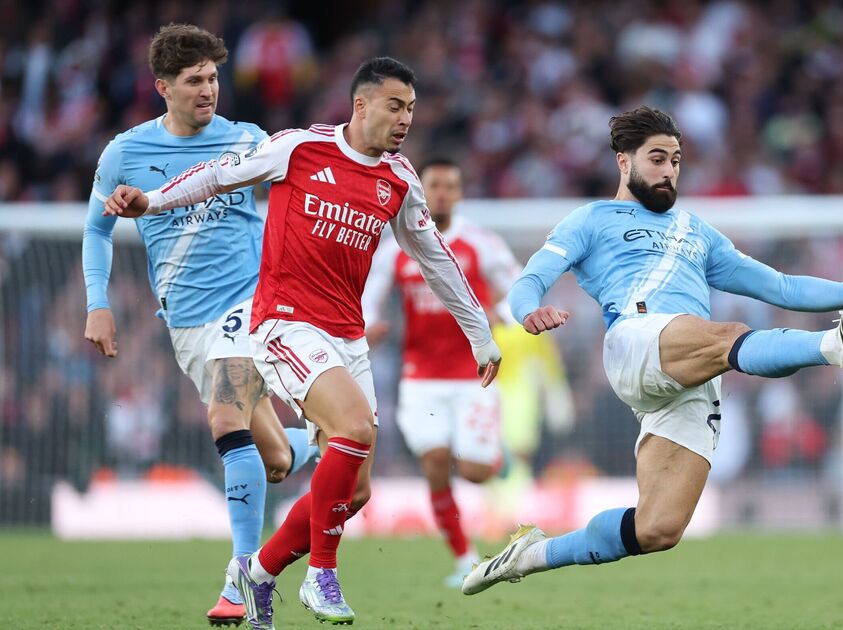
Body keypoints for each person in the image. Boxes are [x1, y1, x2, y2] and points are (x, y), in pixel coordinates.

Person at [461, 107, 843, 595]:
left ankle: (532, 554)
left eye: (676, 160)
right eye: (657, 159)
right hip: (636, 341)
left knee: (657, 528)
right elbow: (528, 281)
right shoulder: (591, 219)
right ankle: (833, 345)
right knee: (728, 334)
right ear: (624, 161)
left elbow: (783, 287)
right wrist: (529, 311)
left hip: (689, 374)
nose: (669, 170)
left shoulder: (697, 232)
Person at [103, 57, 501, 629]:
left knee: (355, 491)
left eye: (411, 109)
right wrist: (151, 201)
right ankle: (322, 573)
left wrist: (480, 336)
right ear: (361, 104)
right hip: (285, 324)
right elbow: (218, 174)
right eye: (395, 106)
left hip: (347, 337)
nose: (405, 119)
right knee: (355, 429)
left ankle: (258, 573)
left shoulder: (399, 178)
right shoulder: (299, 147)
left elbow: (435, 259)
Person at [81, 23, 317, 626]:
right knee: (273, 460)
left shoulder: (247, 139)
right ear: (163, 87)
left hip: (253, 301)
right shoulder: (125, 153)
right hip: (186, 320)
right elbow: (97, 229)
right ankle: (316, 442)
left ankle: (243, 578)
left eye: (212, 78)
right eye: (193, 81)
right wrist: (97, 303)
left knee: (224, 417)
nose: (208, 89)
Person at [362, 158, 521, 587]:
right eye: (435, 185)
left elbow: (518, 290)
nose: (443, 193)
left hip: (474, 376)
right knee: (434, 462)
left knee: (474, 472)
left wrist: (501, 314)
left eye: (451, 186)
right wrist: (369, 325)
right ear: (421, 190)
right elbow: (368, 297)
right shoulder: (396, 246)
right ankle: (463, 558)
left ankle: (495, 457)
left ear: (460, 193)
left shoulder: (480, 243)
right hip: (420, 377)